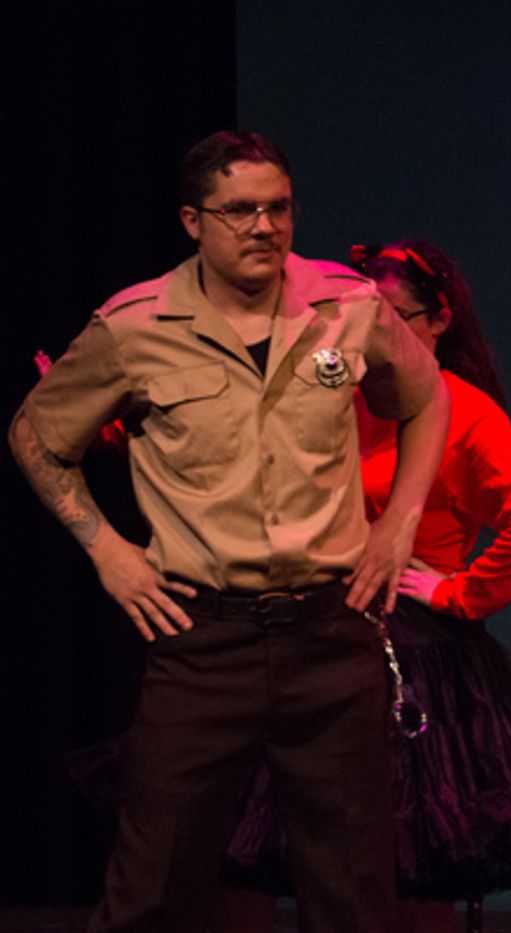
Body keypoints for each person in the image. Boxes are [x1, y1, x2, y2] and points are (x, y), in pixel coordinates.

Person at [9, 131, 450, 933]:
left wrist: (399, 523)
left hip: (331, 630)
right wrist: (106, 550)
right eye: (239, 209)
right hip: (204, 640)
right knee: (150, 889)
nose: (263, 226)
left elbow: (426, 397)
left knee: (356, 896)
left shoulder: (347, 305)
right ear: (193, 220)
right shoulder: (135, 325)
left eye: (277, 207)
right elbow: (35, 436)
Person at [216, 240, 511, 933]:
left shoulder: (461, 410)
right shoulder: (336, 393)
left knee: (406, 850)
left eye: (391, 314)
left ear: (438, 321)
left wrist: (457, 592)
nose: (372, 330)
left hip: (403, 648)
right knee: (243, 831)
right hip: (309, 625)